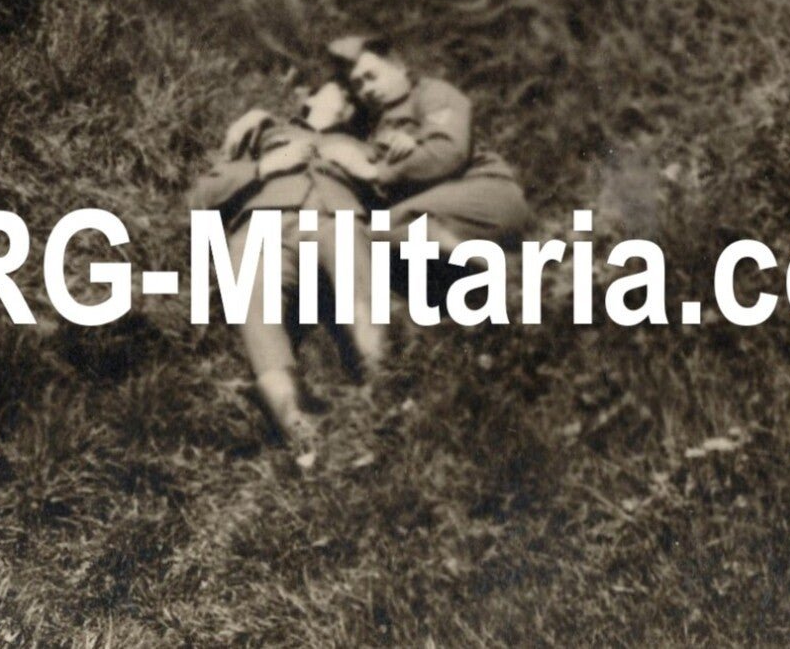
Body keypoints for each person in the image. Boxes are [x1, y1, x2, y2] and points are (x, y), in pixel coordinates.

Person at [187, 81, 386, 446]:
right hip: (262, 226)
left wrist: (371, 170)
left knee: (362, 294)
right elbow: (201, 195)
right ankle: (294, 423)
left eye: (354, 99)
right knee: (254, 306)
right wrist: (265, 167)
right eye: (341, 90)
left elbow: (403, 187)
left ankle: (386, 391)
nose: (350, 97)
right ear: (309, 100)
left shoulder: (364, 146)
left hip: (335, 219)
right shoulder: (266, 135)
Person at [327, 35, 532, 302]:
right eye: (358, 84)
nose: (367, 89)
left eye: (372, 76)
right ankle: (479, 289)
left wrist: (378, 173)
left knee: (376, 232)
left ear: (399, 67)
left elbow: (447, 151)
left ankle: (505, 276)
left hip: (484, 195)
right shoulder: (373, 128)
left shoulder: (432, 94)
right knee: (364, 240)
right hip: (438, 215)